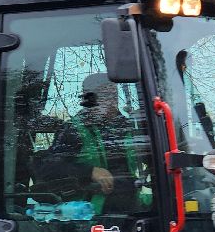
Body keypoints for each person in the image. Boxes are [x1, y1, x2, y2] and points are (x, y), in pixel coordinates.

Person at [37, 73, 146, 214]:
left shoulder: (128, 127)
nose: (112, 101)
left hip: (131, 209)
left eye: (113, 95)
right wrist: (89, 172)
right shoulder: (74, 130)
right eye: (104, 96)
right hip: (90, 217)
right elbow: (48, 169)